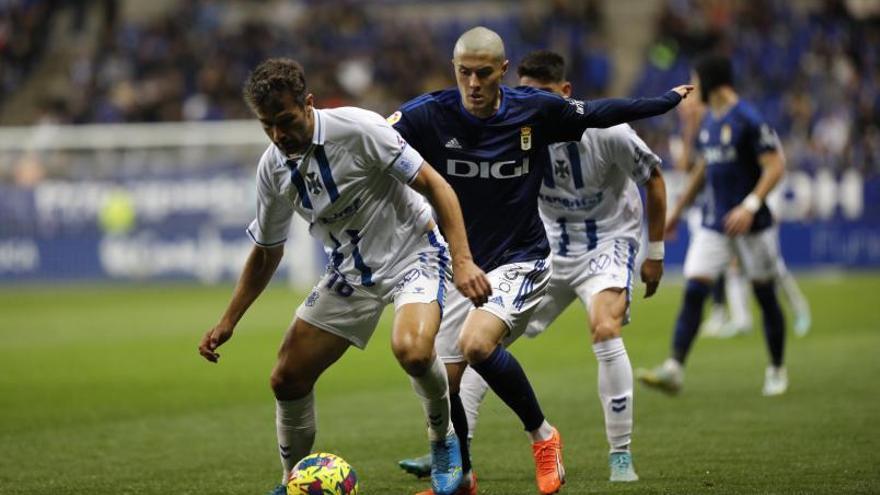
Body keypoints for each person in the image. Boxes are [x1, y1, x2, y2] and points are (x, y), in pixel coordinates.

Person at [391, 27, 692, 495]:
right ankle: (462, 473)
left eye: (483, 73)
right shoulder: (429, 115)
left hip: (525, 255)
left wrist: (662, 101)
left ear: (502, 72)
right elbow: (372, 137)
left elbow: (602, 112)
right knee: (446, 377)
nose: (473, 83)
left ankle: (546, 437)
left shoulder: (535, 110)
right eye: (464, 73)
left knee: (477, 345)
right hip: (465, 262)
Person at [196, 58, 492, 495]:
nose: (278, 135)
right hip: (351, 273)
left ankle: (443, 440)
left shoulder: (358, 129)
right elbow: (265, 252)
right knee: (286, 378)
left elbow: (437, 186)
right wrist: (228, 321)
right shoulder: (273, 169)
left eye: (285, 121)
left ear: (308, 104)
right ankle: (293, 480)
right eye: (266, 126)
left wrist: (463, 261)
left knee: (412, 350)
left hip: (415, 253)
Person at [635, 53, 789, 397]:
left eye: (697, 82)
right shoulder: (710, 121)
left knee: (765, 296)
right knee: (694, 290)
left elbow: (776, 165)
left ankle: (777, 369)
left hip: (752, 225)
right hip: (715, 224)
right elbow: (701, 169)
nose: (694, 90)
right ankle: (674, 368)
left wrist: (750, 205)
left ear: (712, 84)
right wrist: (675, 213)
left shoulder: (748, 119)